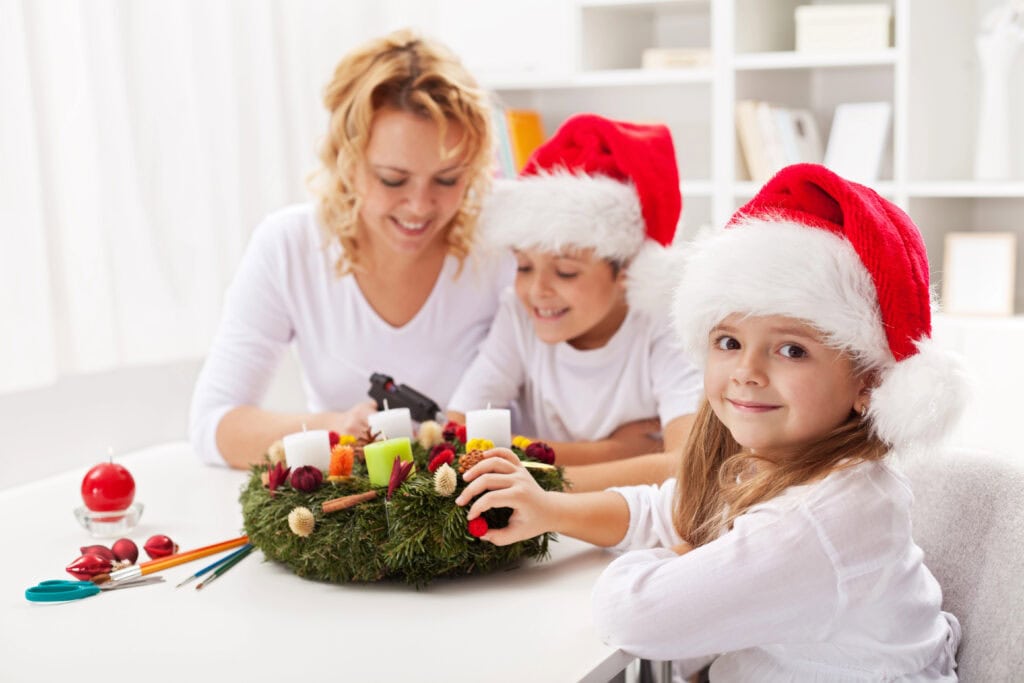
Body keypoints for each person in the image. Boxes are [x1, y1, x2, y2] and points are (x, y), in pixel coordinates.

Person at [457, 164, 967, 680]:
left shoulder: (819, 520)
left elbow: (631, 616)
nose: (746, 372)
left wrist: (686, 553)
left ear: (868, 382)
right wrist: (550, 509)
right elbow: (663, 508)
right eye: (729, 342)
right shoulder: (781, 463)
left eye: (792, 350)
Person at [189, 29, 509, 468]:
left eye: (447, 179)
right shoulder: (290, 246)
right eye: (393, 180)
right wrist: (337, 428)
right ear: (347, 160)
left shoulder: (503, 245)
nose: (420, 206)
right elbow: (213, 425)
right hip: (352, 502)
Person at [446, 114, 703, 471]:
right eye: (524, 266)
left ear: (627, 268)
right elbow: (456, 438)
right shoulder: (518, 313)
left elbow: (686, 466)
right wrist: (615, 452)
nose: (537, 290)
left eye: (565, 271)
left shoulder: (664, 323)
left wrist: (524, 469)